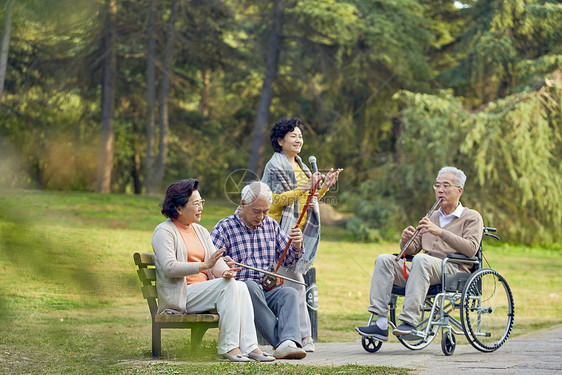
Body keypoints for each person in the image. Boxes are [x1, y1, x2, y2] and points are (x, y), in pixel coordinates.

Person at [151, 178, 275, 363]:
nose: (201, 207)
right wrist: (203, 266)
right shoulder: (164, 232)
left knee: (239, 285)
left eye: (202, 202)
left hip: (203, 293)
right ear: (179, 208)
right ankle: (229, 347)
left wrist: (225, 271)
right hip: (180, 296)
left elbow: (214, 262)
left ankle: (250, 347)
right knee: (230, 288)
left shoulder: (200, 230)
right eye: (196, 203)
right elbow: (170, 268)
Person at [355, 166, 483, 341]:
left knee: (422, 259)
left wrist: (440, 232)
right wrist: (405, 240)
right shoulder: (432, 216)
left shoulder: (471, 217)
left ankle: (409, 322)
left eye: (446, 186)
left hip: (453, 269)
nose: (440, 190)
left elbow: (471, 249)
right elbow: (413, 249)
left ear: (459, 190)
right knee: (384, 259)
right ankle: (381, 323)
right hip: (422, 269)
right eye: (437, 186)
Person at [261, 116, 342, 352]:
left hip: (298, 234)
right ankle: (303, 337)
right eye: (293, 136)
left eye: (300, 136)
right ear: (280, 140)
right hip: (277, 233)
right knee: (295, 284)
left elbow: (308, 200)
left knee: (295, 284)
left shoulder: (301, 165)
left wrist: (324, 185)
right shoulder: (275, 166)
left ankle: (300, 337)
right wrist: (304, 188)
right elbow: (273, 201)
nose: (299, 140)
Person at [210, 181, 307, 359]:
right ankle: (282, 344)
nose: (261, 216)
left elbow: (289, 260)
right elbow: (211, 262)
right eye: (256, 211)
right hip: (240, 291)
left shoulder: (271, 225)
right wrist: (224, 264)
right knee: (250, 286)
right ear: (242, 204)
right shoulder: (224, 227)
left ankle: (288, 342)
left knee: (290, 294)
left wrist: (297, 244)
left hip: (266, 288)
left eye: (265, 211)